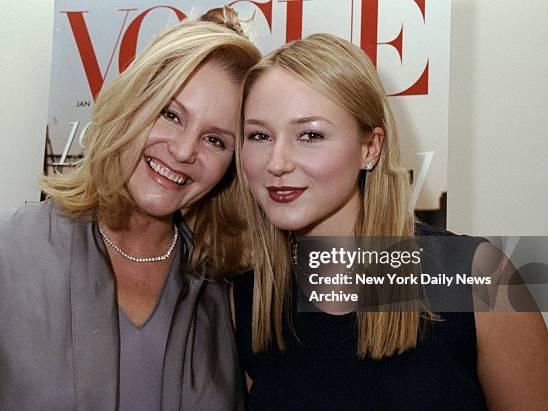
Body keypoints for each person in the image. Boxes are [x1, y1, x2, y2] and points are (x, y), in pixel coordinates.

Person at [0, 8, 260, 410]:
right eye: (170, 114)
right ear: (132, 106)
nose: (182, 151)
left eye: (215, 140)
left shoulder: (226, 293)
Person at [233, 33, 548, 410]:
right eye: (259, 135)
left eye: (310, 135)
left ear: (371, 147)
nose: (277, 162)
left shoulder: (477, 277)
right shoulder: (248, 296)